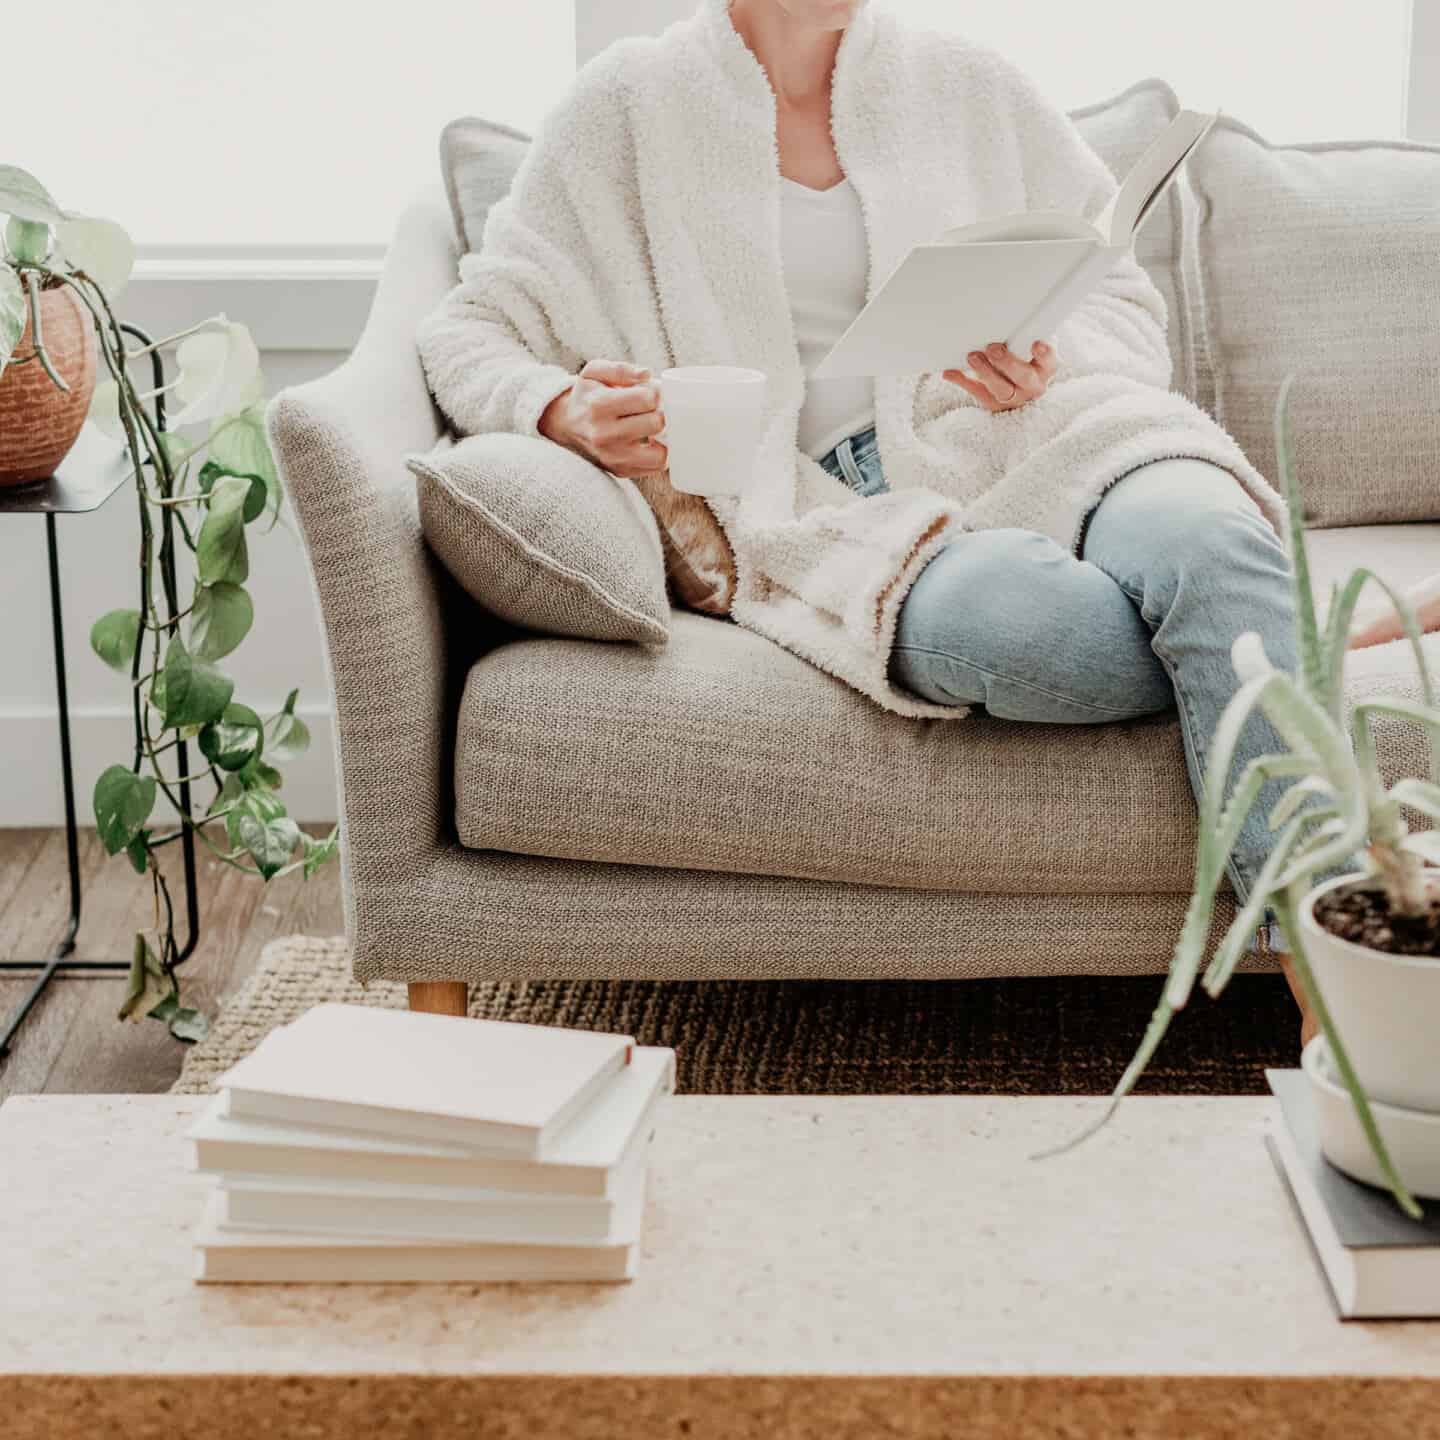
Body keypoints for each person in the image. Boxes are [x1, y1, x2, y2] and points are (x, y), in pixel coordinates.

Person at [418, 0, 1320, 1038]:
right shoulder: (626, 106)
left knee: (1214, 546)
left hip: (1048, 430)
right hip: (826, 509)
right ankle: (1269, 633)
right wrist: (559, 406)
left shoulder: (969, 83)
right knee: (1076, 634)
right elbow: (470, 328)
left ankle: (1329, 995)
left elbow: (1117, 299)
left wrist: (1046, 354)